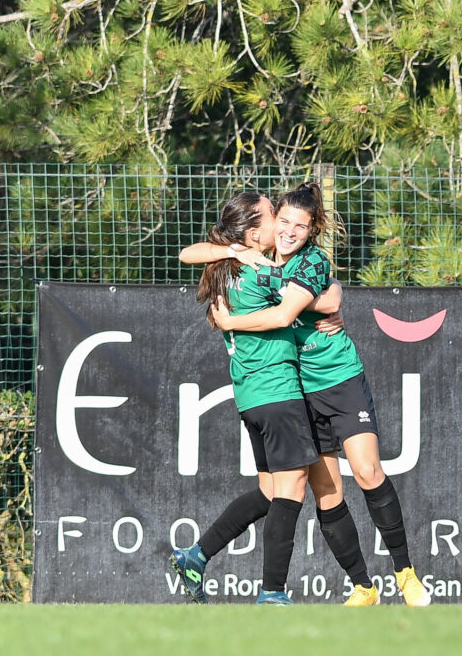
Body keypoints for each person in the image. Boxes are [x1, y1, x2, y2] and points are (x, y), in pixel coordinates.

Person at [210, 182, 431, 607]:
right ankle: (364, 588)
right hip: (298, 390)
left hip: (339, 379)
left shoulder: (312, 261)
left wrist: (230, 323)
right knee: (328, 493)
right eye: (285, 221)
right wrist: (230, 252)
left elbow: (286, 312)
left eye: (301, 225)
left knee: (367, 471)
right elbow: (194, 251)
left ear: (313, 230)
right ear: (272, 223)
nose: (291, 231)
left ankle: (406, 574)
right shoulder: (259, 257)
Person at [170, 191, 380, 607]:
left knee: (269, 492)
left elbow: (185, 254)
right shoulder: (260, 270)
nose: (281, 224)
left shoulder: (223, 266)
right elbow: (314, 302)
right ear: (253, 231)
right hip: (278, 390)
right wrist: (328, 298)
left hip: (249, 395)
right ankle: (272, 593)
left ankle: (195, 556)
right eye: (272, 216)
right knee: (291, 490)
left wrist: (233, 256)